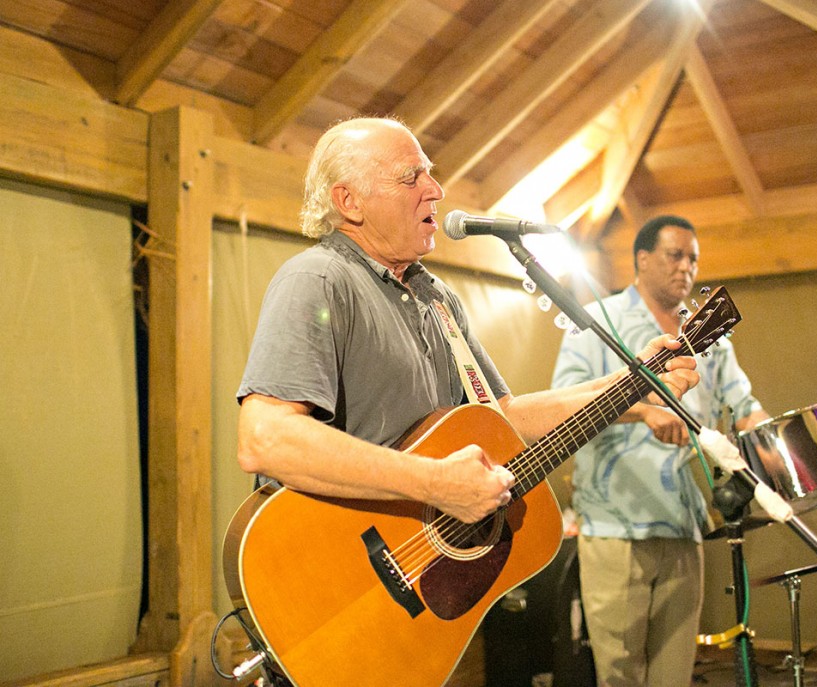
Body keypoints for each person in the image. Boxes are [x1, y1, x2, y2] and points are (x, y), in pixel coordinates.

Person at [235, 117, 699, 533]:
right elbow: (264, 438)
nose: (436, 190)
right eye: (411, 177)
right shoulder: (317, 280)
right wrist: (435, 483)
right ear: (349, 201)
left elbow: (503, 416)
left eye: (429, 173)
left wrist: (633, 382)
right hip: (335, 566)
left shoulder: (435, 297)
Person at [551, 215, 770, 686]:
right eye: (675, 255)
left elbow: (744, 405)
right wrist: (643, 412)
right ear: (643, 259)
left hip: (683, 523)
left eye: (693, 259)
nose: (686, 267)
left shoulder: (707, 330)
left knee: (674, 675)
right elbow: (564, 404)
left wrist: (777, 444)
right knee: (621, 676)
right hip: (615, 527)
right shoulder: (598, 321)